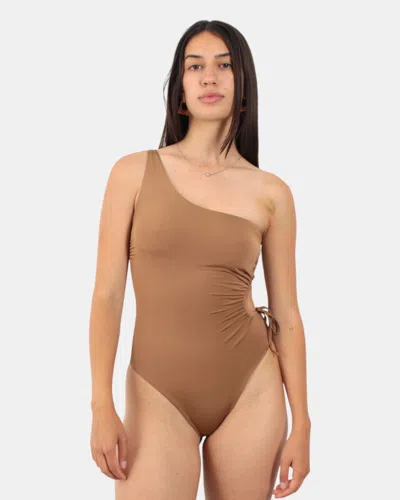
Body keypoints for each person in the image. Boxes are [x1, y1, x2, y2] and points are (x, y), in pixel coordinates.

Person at [89, 19, 311, 500]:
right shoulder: (132, 173)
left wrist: (303, 424)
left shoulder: (272, 193)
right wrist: (101, 405)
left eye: (224, 66)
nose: (210, 77)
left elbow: (288, 314)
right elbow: (107, 295)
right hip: (156, 392)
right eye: (195, 66)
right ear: (180, 90)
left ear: (244, 85)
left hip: (251, 388)